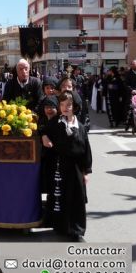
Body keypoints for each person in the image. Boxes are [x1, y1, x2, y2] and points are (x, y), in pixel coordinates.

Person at [42, 91, 92, 241]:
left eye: (68, 105)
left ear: (74, 107)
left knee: (77, 198)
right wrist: (44, 137)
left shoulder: (80, 127)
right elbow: (43, 130)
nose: (65, 108)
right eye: (62, 105)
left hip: (76, 168)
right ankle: (61, 227)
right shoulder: (56, 123)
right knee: (61, 197)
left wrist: (86, 171)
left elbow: (86, 150)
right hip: (60, 166)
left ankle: (76, 230)